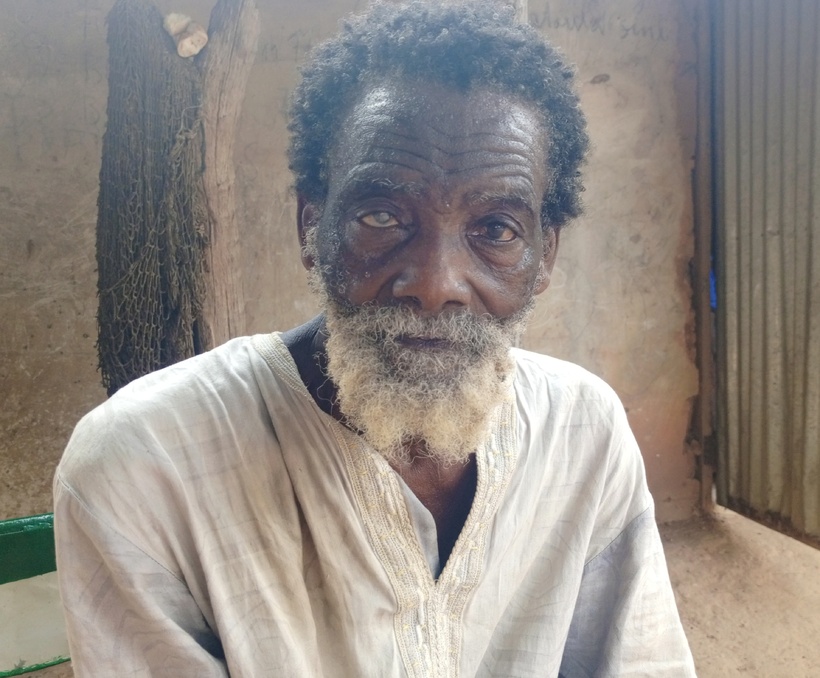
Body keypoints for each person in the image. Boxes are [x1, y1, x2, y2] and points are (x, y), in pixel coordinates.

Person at [54, 1, 697, 676]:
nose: (435, 284)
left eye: (497, 230)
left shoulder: (583, 434)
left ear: (544, 258)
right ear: (312, 227)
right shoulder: (141, 469)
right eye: (383, 214)